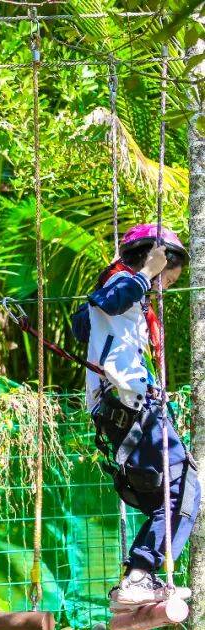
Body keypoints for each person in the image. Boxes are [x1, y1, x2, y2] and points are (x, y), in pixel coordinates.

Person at [77, 223, 198, 609]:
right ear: (154, 259)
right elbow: (107, 301)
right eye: (167, 275)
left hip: (126, 408)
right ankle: (139, 576)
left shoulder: (127, 297)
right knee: (184, 489)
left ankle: (136, 579)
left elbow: (83, 324)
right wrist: (147, 272)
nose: (164, 286)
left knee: (164, 499)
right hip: (131, 405)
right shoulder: (124, 284)